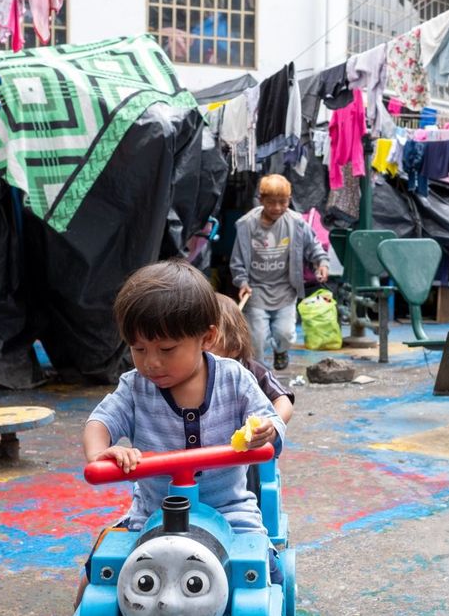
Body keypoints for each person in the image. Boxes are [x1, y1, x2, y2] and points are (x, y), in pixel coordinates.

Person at [78, 260, 286, 606]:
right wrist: (100, 453)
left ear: (207, 337)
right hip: (152, 512)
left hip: (229, 508)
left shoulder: (234, 379)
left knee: (262, 569)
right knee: (100, 572)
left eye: (166, 349)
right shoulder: (134, 388)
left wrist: (264, 431)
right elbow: (99, 423)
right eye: (139, 349)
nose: (151, 363)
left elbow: (269, 420)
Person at [231, 174, 330, 371]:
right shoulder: (246, 225)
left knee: (284, 333)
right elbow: (238, 259)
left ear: (289, 200)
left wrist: (321, 263)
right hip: (257, 290)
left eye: (282, 202)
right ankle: (259, 377)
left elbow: (314, 247)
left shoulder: (297, 223)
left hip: (286, 290)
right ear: (261, 200)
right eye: (271, 203)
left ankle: (281, 350)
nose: (277, 208)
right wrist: (242, 282)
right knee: (257, 339)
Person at [212, 292, 294, 424]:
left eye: (208, 341)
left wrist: (271, 425)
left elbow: (283, 399)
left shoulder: (250, 369)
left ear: (234, 348)